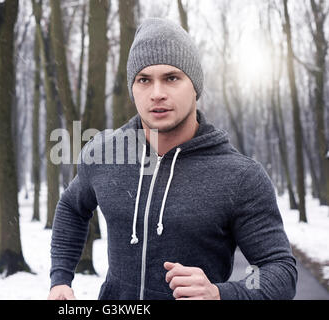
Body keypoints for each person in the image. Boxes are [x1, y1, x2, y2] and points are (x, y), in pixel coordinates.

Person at [48, 18, 297, 300]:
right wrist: (60, 278)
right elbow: (71, 207)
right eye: (144, 80)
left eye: (171, 78)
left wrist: (221, 293)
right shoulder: (104, 153)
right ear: (132, 88)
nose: (157, 94)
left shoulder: (240, 177)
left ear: (195, 86)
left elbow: (280, 271)